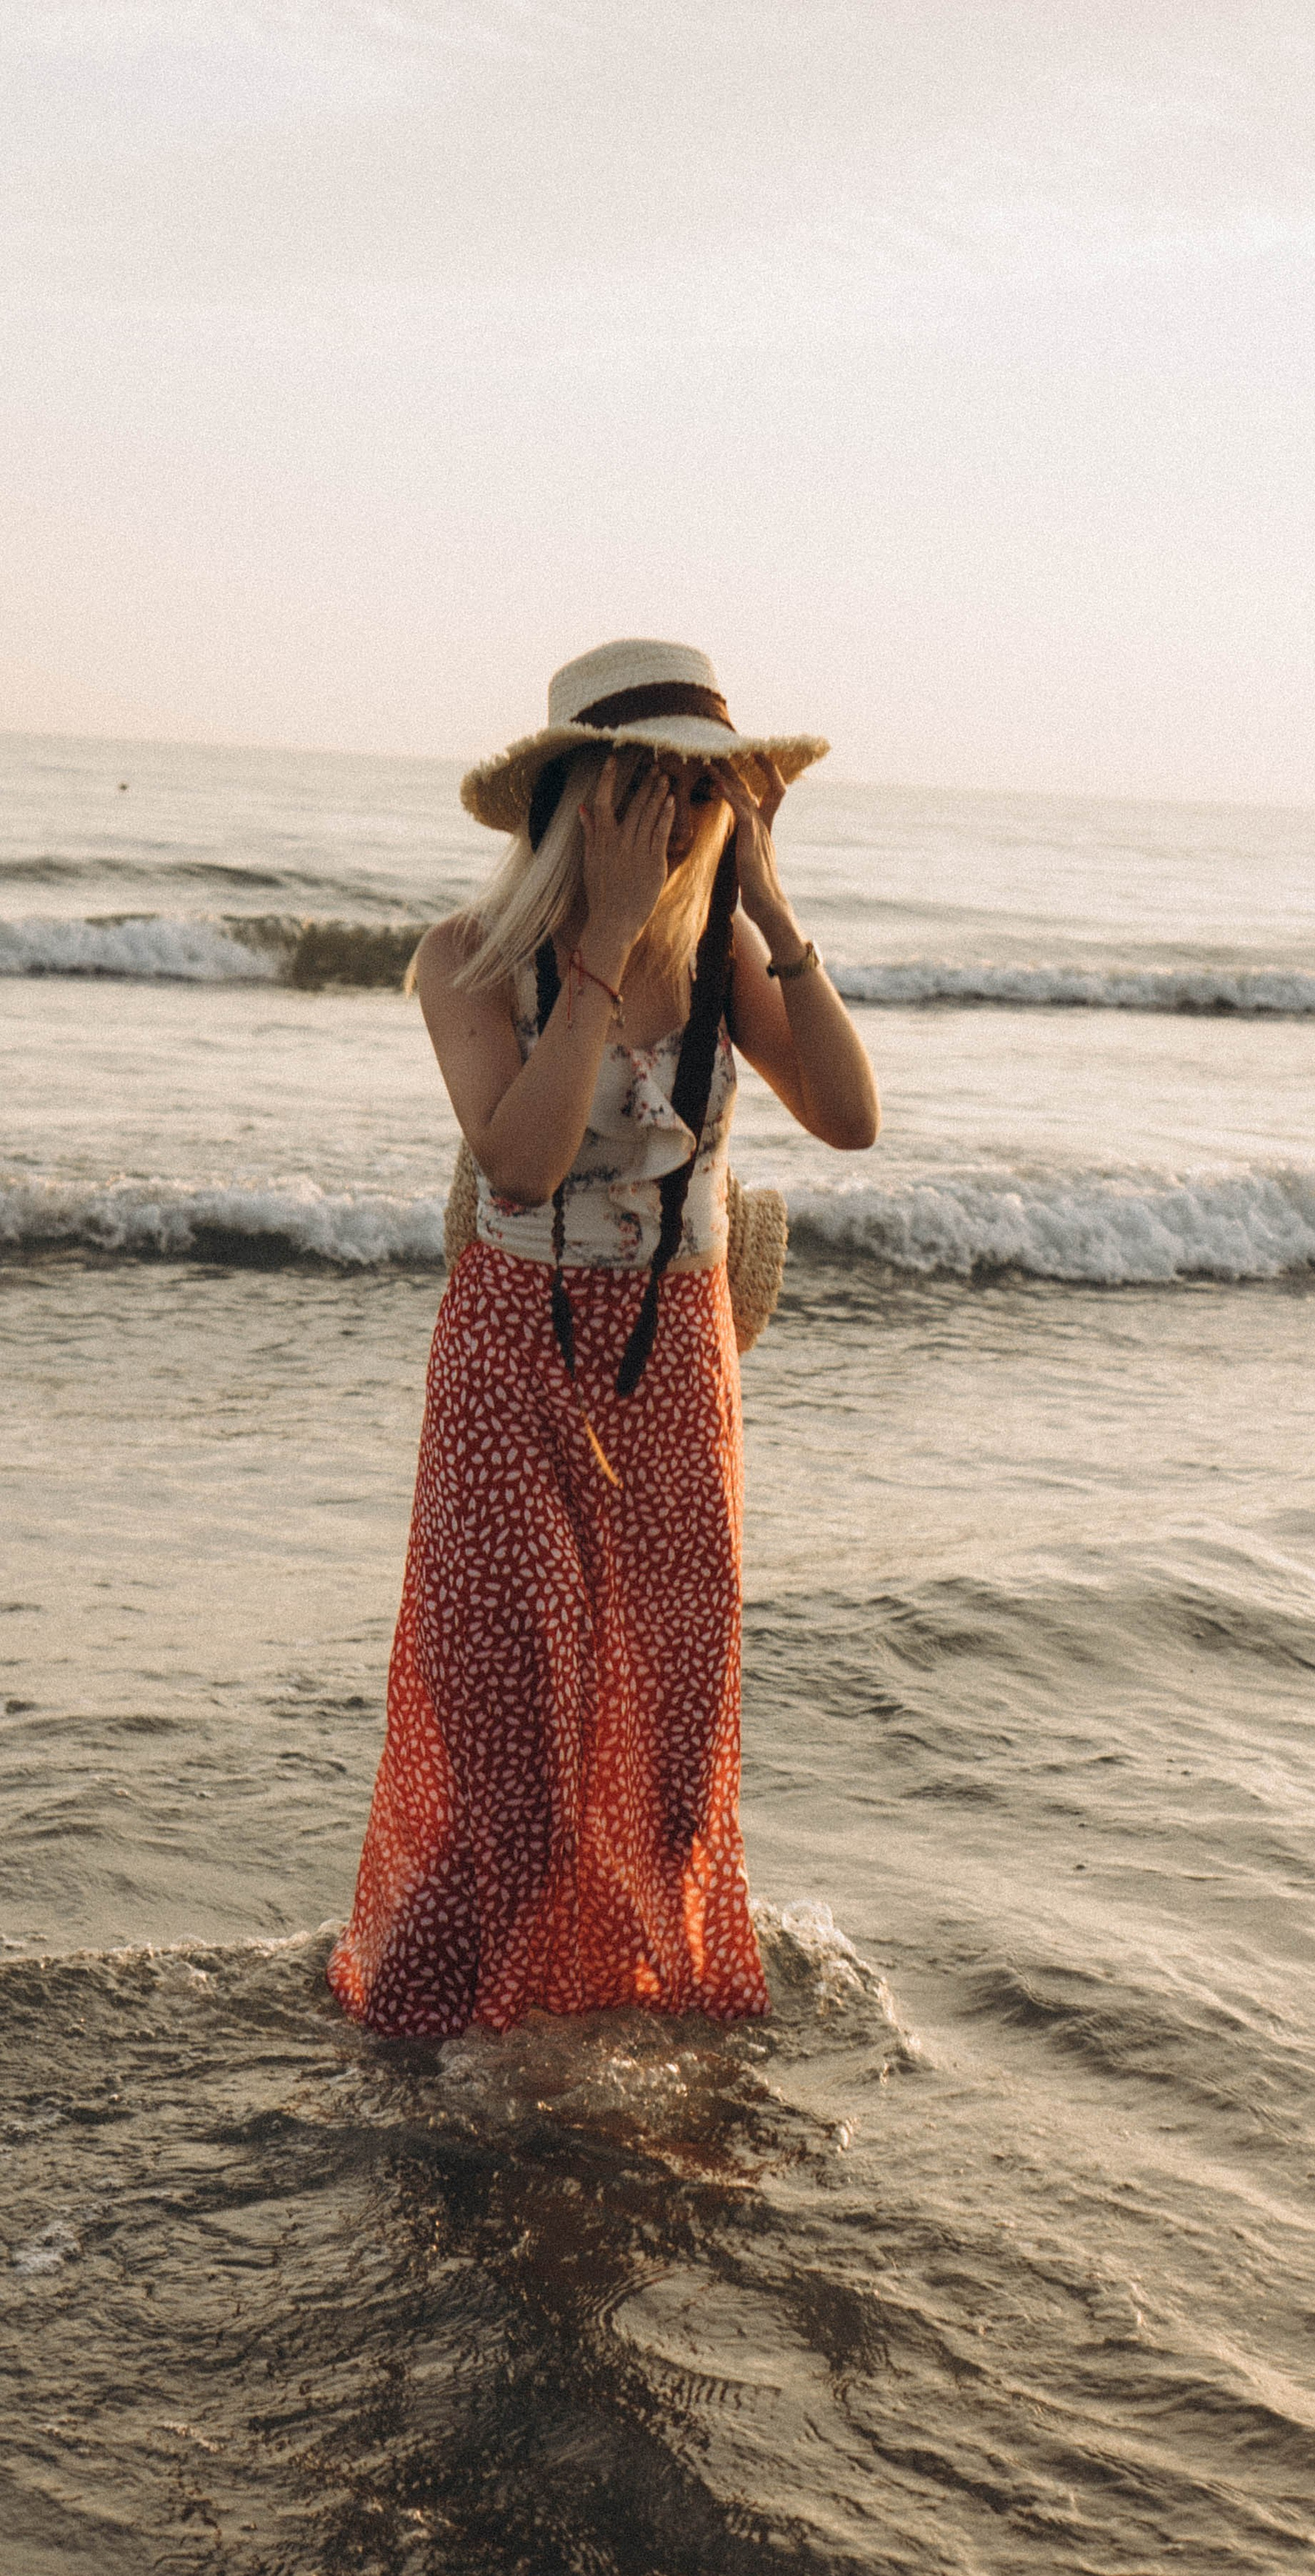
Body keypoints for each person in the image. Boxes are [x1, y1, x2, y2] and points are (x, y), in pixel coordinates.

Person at [327, 641, 879, 2039]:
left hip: (679, 1366)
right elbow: (519, 1163)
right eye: (658, 788)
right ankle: (433, 2056)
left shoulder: (725, 959)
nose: (689, 818)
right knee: (513, 1770)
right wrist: (596, 949)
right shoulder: (469, 959)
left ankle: (627, 2036)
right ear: (583, 793)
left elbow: (848, 1115)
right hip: (510, 1367)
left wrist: (774, 908)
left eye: (713, 794)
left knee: (676, 1757)